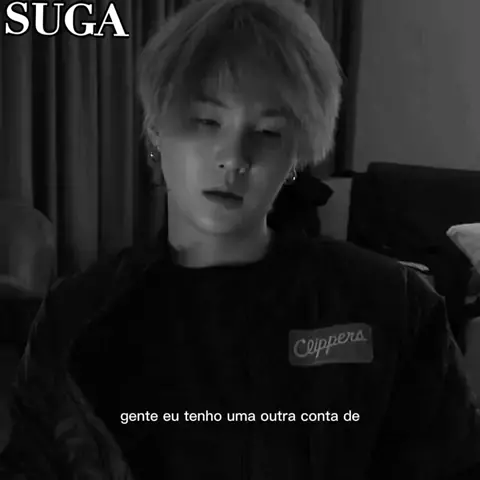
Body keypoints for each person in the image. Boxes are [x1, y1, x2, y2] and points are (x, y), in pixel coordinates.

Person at [1, 0, 480, 478]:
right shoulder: (76, 314)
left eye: (268, 132)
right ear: (156, 131)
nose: (233, 157)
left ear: (296, 158)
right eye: (207, 121)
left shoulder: (392, 307)